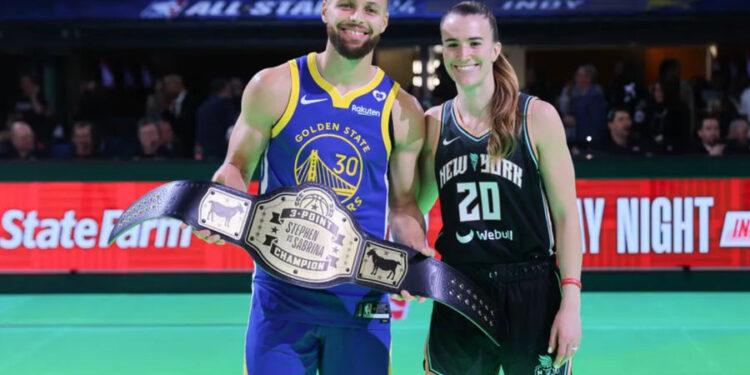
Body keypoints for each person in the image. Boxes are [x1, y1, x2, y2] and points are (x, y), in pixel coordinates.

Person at [188, 0, 430, 374]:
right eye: (346, 5)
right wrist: (222, 197)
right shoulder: (274, 85)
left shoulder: (403, 110)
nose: (357, 18)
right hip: (281, 299)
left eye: (370, 10)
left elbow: (402, 206)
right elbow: (237, 166)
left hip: (360, 300)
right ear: (324, 10)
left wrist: (412, 250)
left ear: (384, 21)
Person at [418, 2, 582, 374]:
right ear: (442, 51)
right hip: (459, 288)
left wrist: (570, 302)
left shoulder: (536, 117)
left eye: (475, 43)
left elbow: (566, 215)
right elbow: (416, 209)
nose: (464, 55)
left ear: (495, 50)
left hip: (532, 290)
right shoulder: (432, 124)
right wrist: (410, 262)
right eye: (452, 44)